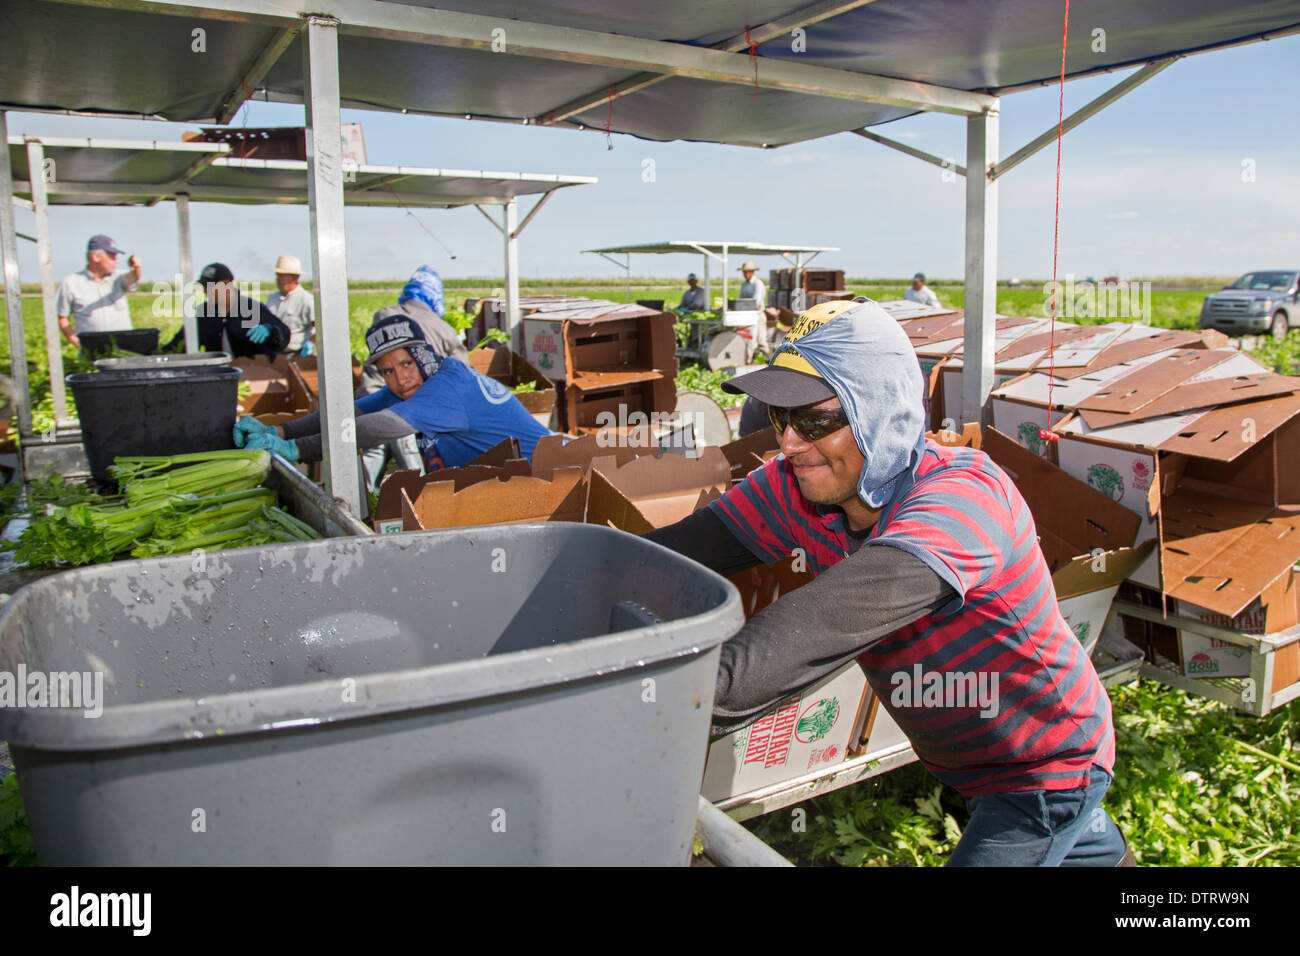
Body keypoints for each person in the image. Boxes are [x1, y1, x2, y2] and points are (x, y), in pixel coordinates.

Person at [643, 299, 1132, 867]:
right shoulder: (795, 486)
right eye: (780, 417)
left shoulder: (963, 499)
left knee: (1050, 821)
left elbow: (828, 623)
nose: (788, 443)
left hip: (1041, 763)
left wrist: (658, 707)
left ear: (884, 413)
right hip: (964, 755)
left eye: (816, 420)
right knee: (1080, 849)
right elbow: (668, 558)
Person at [234, 311, 551, 474]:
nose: (400, 377)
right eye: (388, 370)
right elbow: (354, 413)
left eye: (406, 363)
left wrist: (295, 450)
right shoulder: (412, 388)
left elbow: (377, 427)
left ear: (423, 355)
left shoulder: (445, 386)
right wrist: (278, 429)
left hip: (551, 471)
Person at [354, 266, 470, 492]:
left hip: (373, 404)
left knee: (373, 451)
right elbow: (463, 376)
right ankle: (424, 500)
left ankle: (360, 508)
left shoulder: (384, 314)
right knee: (415, 468)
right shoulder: (443, 328)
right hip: (411, 414)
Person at [163, 263, 290, 359]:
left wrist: (271, 330)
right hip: (219, 378)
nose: (205, 292)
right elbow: (181, 342)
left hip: (254, 376)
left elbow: (284, 333)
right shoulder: (204, 313)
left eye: (209, 287)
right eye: (204, 287)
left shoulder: (251, 308)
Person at [56, 235, 141, 349]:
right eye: (112, 257)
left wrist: (136, 267)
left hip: (123, 346)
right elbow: (63, 318)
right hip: (92, 348)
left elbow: (134, 278)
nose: (115, 261)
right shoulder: (71, 282)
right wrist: (76, 342)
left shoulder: (119, 278)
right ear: (96, 257)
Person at [266, 255, 315, 356]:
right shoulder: (272, 298)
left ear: (295, 277)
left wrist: (311, 343)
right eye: (277, 275)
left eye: (282, 276)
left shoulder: (306, 300)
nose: (278, 279)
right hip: (274, 353)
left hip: (297, 354)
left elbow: (320, 329)